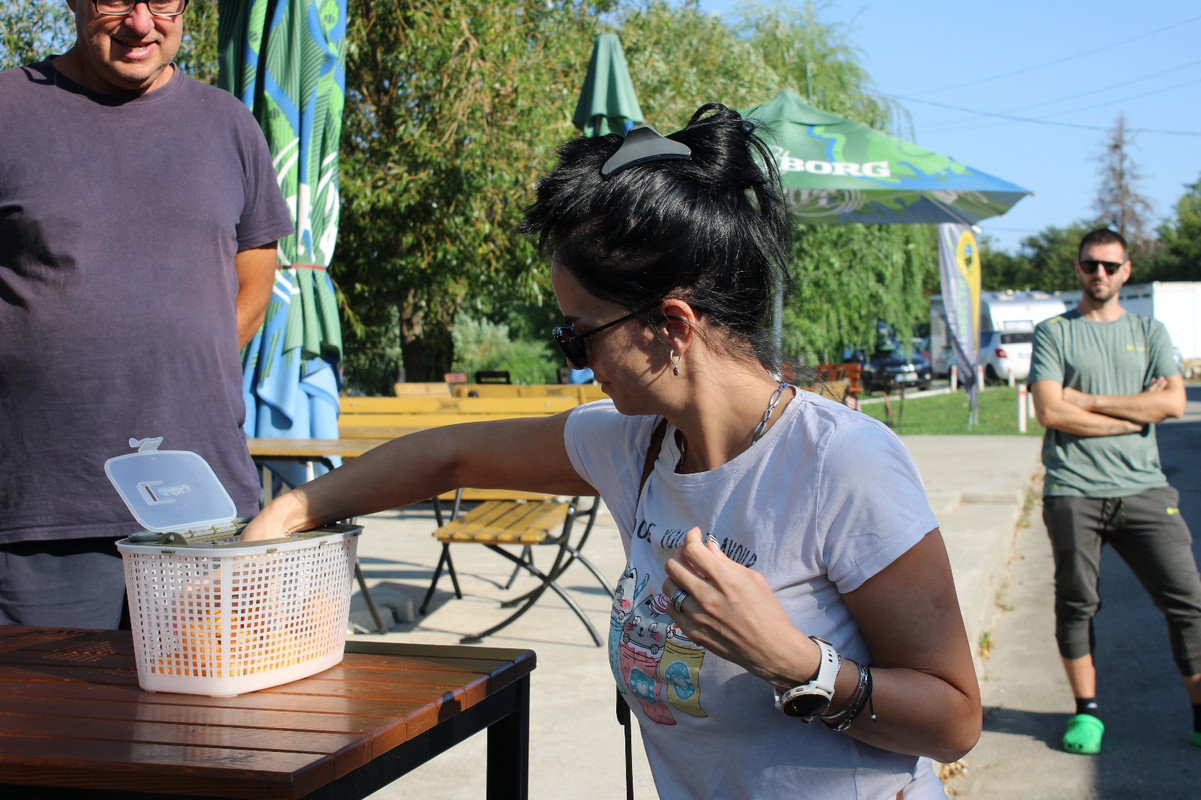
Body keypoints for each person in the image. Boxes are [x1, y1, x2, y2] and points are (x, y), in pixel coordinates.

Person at [244, 106, 980, 797]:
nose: (572, 359)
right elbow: (451, 456)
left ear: (672, 326)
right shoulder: (635, 444)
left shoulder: (841, 464)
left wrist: (794, 662)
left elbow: (953, 720)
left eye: (578, 334)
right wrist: (293, 510)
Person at [0, 0, 293, 627]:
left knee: (204, 693)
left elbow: (255, 278)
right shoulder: (8, 110)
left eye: (162, 1)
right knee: (53, 696)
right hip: (43, 512)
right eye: (115, 0)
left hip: (205, 509)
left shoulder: (229, 125)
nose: (141, 23)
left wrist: (186, 364)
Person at [1030, 227, 1201, 755]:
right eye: (1090, 265)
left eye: (1109, 265)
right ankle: (1087, 712)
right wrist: (1131, 414)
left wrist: (1086, 401)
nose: (1099, 273)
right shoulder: (1054, 332)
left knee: (1189, 602)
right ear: (1078, 269)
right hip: (1073, 489)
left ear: (1126, 271)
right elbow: (1050, 410)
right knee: (1076, 603)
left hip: (1145, 487)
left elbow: (1172, 404)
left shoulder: (1150, 331)